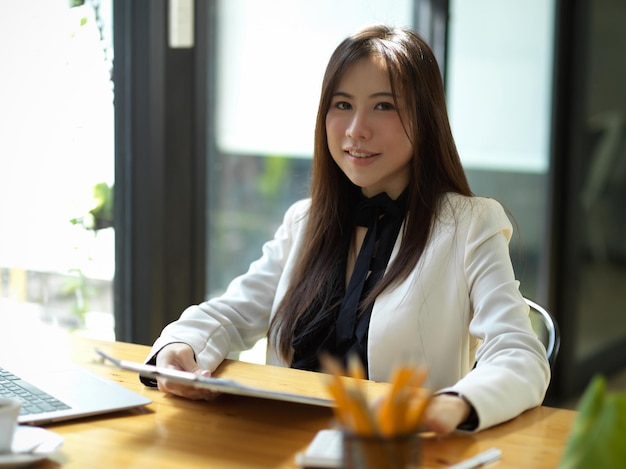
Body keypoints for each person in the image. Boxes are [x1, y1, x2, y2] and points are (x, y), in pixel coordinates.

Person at [142, 24, 550, 434]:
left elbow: (518, 352)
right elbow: (234, 311)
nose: (356, 129)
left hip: (398, 450)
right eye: (342, 105)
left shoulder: (469, 224)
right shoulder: (305, 220)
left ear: (425, 120)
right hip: (284, 444)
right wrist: (181, 344)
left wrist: (456, 404)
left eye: (384, 106)